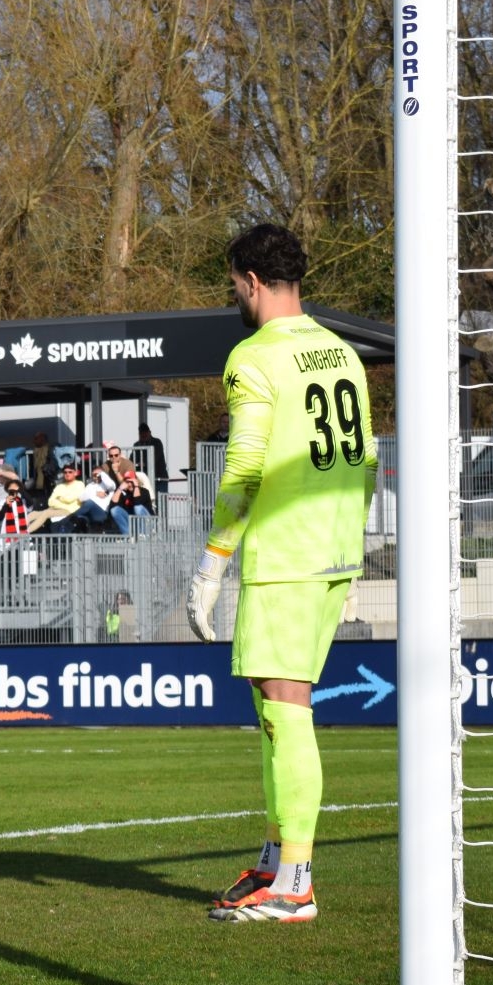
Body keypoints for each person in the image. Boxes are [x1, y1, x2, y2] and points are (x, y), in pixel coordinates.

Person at [188, 223, 377, 925]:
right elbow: (365, 458)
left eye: (234, 285)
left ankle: (294, 881)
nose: (234, 297)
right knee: (275, 707)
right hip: (333, 547)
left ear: (252, 280)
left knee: (286, 707)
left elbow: (244, 466)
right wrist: (349, 547)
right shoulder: (341, 352)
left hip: (286, 551)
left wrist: (213, 561)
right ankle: (275, 859)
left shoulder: (254, 356)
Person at [27, 462, 90, 532]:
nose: (67, 474)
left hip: (69, 511)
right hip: (55, 509)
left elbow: (69, 499)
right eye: (65, 472)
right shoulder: (59, 486)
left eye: (70, 472)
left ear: (75, 473)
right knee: (33, 513)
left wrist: (59, 499)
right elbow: (50, 502)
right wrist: (63, 500)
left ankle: (26, 533)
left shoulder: (79, 484)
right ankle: (19, 530)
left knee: (46, 513)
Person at [108, 458, 154, 536]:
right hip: (132, 522)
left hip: (147, 522)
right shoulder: (123, 492)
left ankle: (143, 535)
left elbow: (137, 502)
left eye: (131, 481)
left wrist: (136, 486)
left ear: (136, 481)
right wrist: (120, 489)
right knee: (114, 510)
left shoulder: (144, 491)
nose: (129, 484)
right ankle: (128, 536)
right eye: (127, 482)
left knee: (138, 508)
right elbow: (112, 506)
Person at [137, 422, 170, 493]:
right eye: (142, 435)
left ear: (149, 432)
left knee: (161, 498)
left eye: (145, 434)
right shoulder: (137, 445)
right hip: (145, 479)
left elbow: (155, 458)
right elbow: (132, 458)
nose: (144, 436)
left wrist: (143, 463)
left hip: (159, 478)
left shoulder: (157, 442)